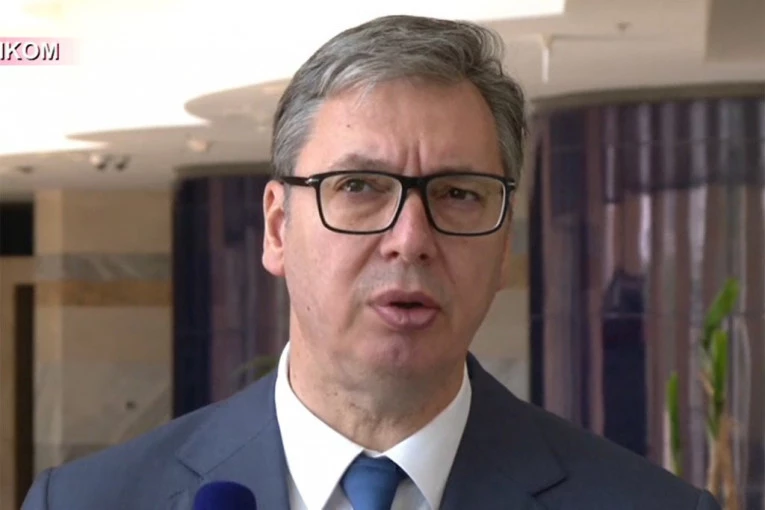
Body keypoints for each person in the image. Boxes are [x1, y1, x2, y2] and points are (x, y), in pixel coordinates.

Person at [23, 14, 721, 510]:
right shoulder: (90, 501)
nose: (410, 239)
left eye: (458, 193)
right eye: (358, 187)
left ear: (504, 240)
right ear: (277, 227)